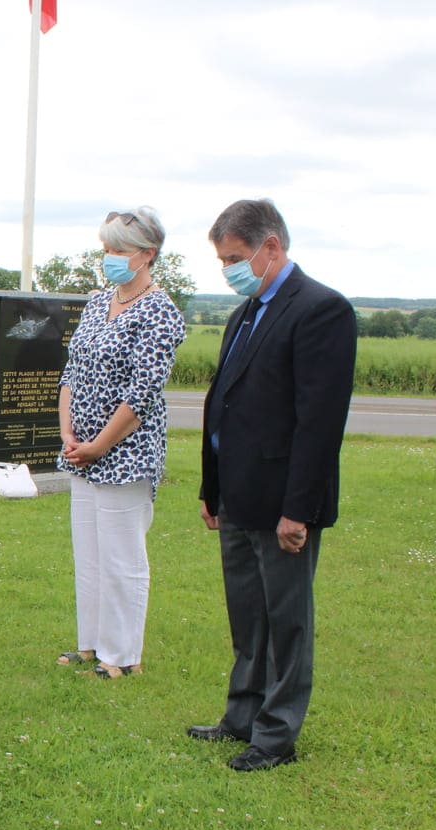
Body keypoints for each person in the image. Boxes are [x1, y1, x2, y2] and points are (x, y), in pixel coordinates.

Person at [189, 199, 356, 772]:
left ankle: (276, 736)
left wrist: (299, 510)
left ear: (272, 248)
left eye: (235, 258)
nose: (228, 270)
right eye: (222, 260)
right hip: (237, 496)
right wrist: (212, 490)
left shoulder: (320, 310)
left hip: (283, 502)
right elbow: (224, 403)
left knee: (286, 621)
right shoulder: (245, 312)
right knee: (247, 616)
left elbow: (319, 421)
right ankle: (241, 717)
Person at [55, 207, 186, 679]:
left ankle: (122, 655)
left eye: (118, 250)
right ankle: (90, 644)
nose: (108, 258)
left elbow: (141, 393)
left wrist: (100, 444)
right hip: (81, 450)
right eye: (105, 249)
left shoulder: (160, 312)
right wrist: (69, 433)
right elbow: (72, 372)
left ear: (148, 255)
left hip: (124, 454)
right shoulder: (97, 303)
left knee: (121, 558)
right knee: (88, 554)